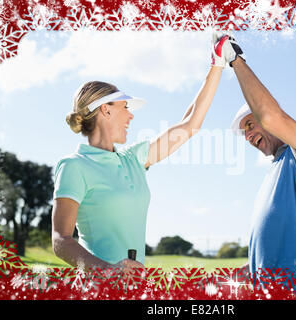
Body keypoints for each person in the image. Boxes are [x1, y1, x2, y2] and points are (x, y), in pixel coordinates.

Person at [51, 35, 232, 275]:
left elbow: (189, 126)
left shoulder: (133, 158)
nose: (131, 116)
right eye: (125, 108)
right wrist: (108, 271)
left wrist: (217, 64)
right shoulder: (74, 166)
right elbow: (61, 240)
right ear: (105, 110)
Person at [216, 34, 296, 276]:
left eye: (250, 125)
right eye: (244, 133)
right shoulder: (274, 171)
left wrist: (235, 60)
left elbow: (272, 117)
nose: (248, 136)